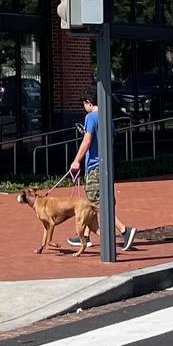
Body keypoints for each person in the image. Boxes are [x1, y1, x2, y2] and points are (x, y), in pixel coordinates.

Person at [66, 94, 137, 253]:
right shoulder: (107, 118)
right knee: (92, 202)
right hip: (106, 166)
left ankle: (125, 231)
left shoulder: (90, 117)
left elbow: (88, 140)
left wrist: (76, 160)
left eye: (84, 103)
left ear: (88, 102)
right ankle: (85, 237)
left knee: (96, 205)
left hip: (94, 167)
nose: (84, 106)